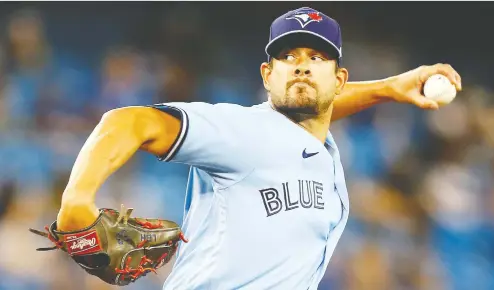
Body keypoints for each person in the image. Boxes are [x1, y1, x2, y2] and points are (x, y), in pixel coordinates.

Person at [55, 7, 462, 289]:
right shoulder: (244, 131)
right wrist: (77, 199)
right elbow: (127, 122)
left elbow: (314, 109)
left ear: (339, 80)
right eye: (288, 56)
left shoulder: (317, 145)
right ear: (268, 76)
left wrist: (389, 88)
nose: (301, 65)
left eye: (316, 56)